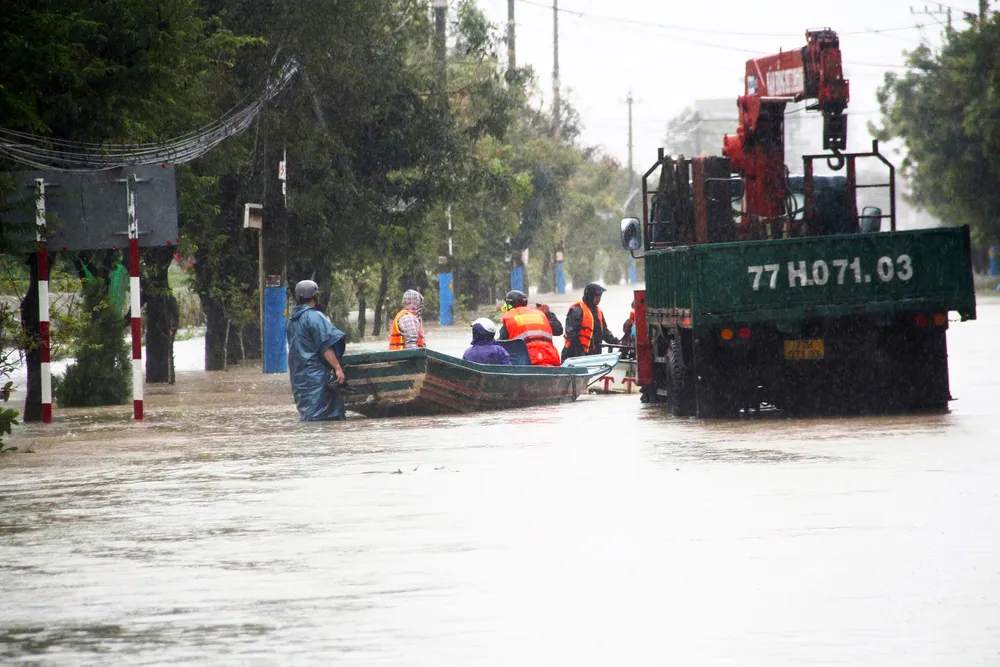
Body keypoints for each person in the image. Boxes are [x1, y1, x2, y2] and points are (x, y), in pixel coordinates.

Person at [286, 279, 347, 421]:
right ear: (315, 296)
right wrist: (337, 368)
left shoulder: (291, 321)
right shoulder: (315, 317)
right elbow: (326, 345)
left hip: (299, 379)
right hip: (317, 379)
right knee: (325, 418)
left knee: (309, 417)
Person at [497, 289, 563, 367]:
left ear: (509, 306)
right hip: (551, 360)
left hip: (526, 362)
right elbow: (558, 330)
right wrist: (548, 313)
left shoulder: (511, 318)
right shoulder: (540, 314)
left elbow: (501, 343)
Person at [562, 282, 619, 361]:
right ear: (590, 296)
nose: (598, 298)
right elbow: (571, 334)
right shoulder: (577, 310)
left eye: (600, 296)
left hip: (593, 355)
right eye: (596, 296)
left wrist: (617, 342)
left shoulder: (598, 312)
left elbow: (604, 332)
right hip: (574, 354)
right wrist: (580, 352)